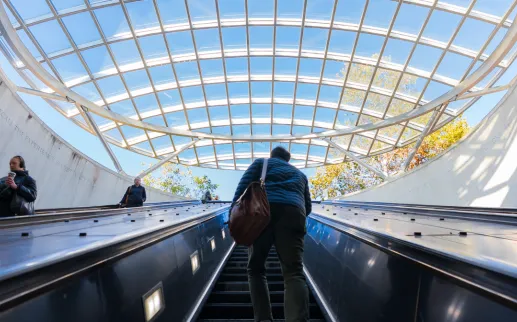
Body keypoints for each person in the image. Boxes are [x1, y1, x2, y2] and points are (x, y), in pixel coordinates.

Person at [231, 146, 312, 322]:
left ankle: (264, 318)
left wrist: (233, 214)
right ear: (287, 159)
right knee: (294, 272)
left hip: (261, 214)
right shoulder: (301, 175)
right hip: (294, 214)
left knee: (256, 268)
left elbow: (242, 188)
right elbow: (308, 206)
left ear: (272, 155)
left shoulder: (262, 163)